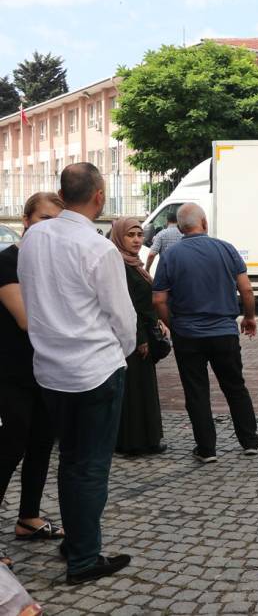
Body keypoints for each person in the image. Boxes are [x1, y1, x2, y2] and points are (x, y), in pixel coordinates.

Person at [18, 163, 136, 584]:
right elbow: (122, 317)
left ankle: (78, 540)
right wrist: (118, 356)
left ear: (63, 194)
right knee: (89, 466)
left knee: (70, 460)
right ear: (100, 196)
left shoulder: (33, 239)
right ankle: (84, 557)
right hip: (93, 369)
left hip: (51, 369)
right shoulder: (97, 247)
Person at [152, 203, 258, 464]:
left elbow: (158, 300)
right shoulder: (225, 248)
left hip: (188, 334)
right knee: (235, 387)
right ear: (204, 223)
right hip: (224, 332)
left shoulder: (171, 255)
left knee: (196, 391)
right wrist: (249, 317)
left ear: (179, 227)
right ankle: (250, 442)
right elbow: (246, 289)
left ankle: (207, 448)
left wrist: (174, 325)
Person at [0, 192, 65, 571]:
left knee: (42, 444)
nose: (48, 227)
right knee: (9, 449)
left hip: (46, 370)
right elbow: (25, 318)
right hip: (10, 373)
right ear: (26, 220)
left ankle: (28, 518)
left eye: (57, 221)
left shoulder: (51, 267)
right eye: (43, 218)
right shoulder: (8, 261)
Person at [110, 218, 165, 456]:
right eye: (130, 235)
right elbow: (127, 305)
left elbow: (145, 303)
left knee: (144, 387)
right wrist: (140, 337)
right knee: (134, 390)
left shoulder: (134, 264)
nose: (136, 240)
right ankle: (132, 441)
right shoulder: (119, 266)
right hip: (131, 338)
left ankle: (147, 438)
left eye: (139, 235)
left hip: (142, 333)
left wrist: (158, 321)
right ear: (119, 237)